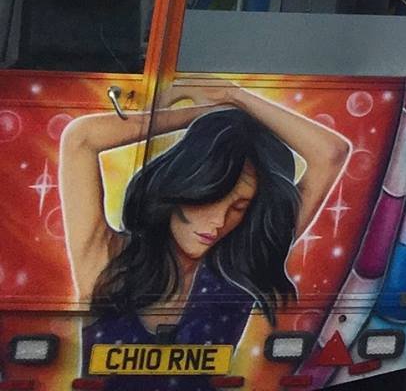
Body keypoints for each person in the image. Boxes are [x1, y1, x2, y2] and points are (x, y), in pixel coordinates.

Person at [59, 82, 350, 386]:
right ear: (182, 185)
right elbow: (81, 138)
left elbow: (331, 153)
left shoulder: (238, 272)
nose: (218, 222)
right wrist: (205, 114)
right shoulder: (109, 257)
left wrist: (233, 96)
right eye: (211, 199)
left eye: (238, 207)